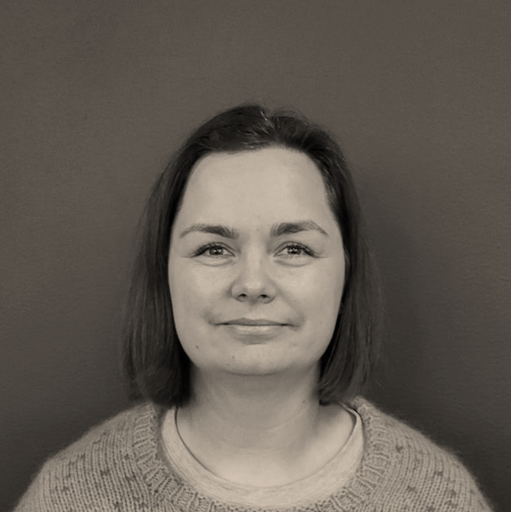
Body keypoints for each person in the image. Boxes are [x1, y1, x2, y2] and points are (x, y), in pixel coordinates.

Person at [14, 104, 493, 511]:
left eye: (295, 248)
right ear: (166, 273)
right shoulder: (70, 496)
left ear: (346, 273)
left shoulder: (439, 498)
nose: (253, 284)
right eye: (213, 249)